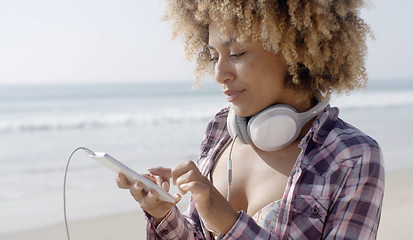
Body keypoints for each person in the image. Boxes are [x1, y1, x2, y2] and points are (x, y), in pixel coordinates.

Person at [117, 0, 385, 239]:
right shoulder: (220, 131)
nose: (220, 73)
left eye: (236, 53)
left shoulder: (351, 156)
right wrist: (164, 215)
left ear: (294, 47)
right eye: (213, 57)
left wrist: (231, 224)